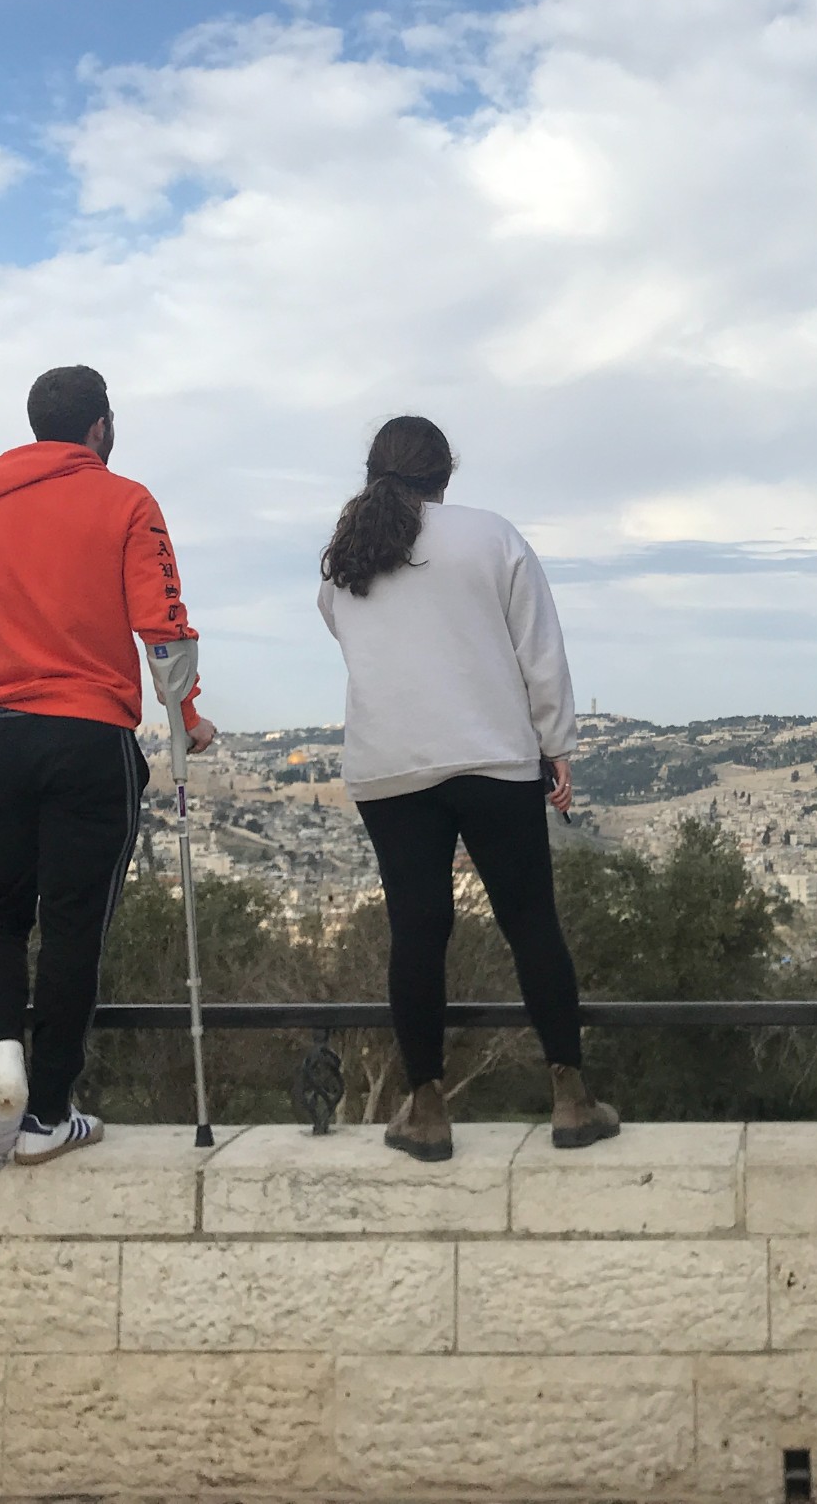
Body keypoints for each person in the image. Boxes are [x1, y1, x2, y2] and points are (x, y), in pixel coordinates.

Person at [0, 365, 216, 1170]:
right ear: (100, 427)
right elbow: (162, 626)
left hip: (3, 738)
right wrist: (186, 720)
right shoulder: (127, 501)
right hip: (91, 739)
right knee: (72, 930)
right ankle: (46, 1113)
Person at [315, 415, 617, 1161]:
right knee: (530, 922)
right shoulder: (493, 537)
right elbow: (538, 651)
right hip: (491, 755)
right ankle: (571, 1097)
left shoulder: (345, 560)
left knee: (418, 932)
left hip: (390, 766)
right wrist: (556, 746)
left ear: (374, 472)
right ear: (445, 471)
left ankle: (424, 1109)